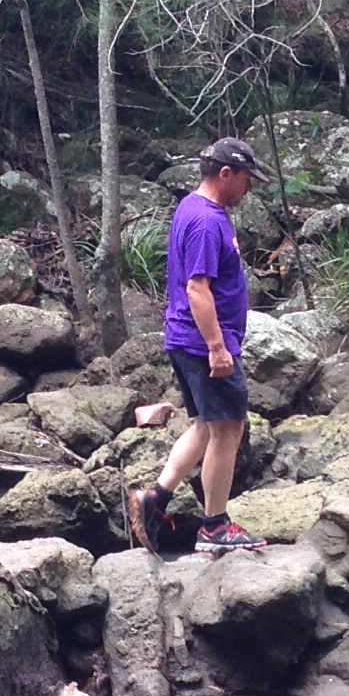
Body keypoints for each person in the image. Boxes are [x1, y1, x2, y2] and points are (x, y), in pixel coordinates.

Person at [130, 135, 269, 555]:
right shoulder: (207, 221)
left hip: (185, 338)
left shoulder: (193, 208)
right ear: (225, 174)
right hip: (202, 343)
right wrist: (217, 347)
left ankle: (154, 499)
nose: (249, 188)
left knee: (205, 426)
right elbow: (197, 288)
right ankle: (215, 526)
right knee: (228, 428)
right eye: (246, 179)